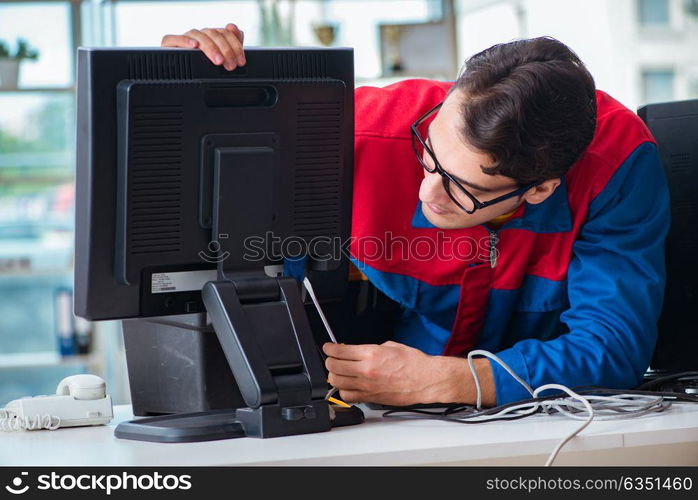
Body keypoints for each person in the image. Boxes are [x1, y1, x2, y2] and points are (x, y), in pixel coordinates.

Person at [162, 25, 670, 407]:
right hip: (353, 414)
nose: (428, 191)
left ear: (541, 189)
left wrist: (449, 380)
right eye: (429, 153)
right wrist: (179, 87)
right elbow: (192, 185)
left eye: (464, 187)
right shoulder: (352, 132)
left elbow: (612, 347)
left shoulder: (617, 164)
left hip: (525, 428)